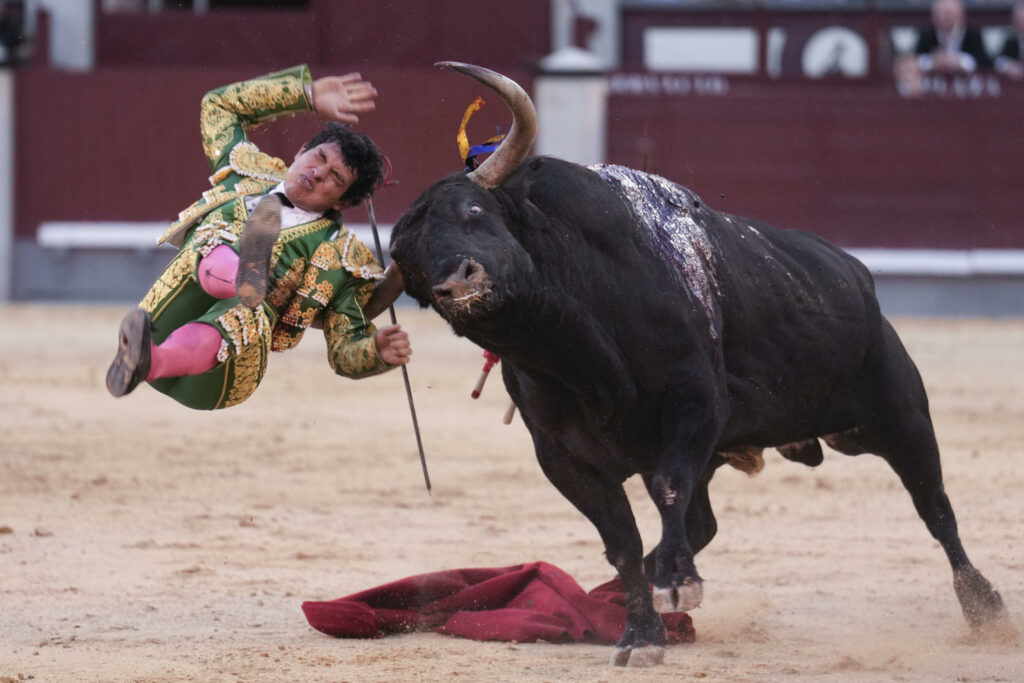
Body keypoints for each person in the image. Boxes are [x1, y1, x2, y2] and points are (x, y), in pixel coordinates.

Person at [106, 65, 410, 410]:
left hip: (220, 377)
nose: (318, 172)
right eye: (319, 157)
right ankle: (156, 354)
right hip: (161, 325)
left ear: (342, 202)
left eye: (335, 178)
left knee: (251, 305)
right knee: (218, 237)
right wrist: (304, 94)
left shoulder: (342, 257)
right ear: (299, 152)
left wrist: (376, 353)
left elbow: (344, 348)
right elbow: (218, 106)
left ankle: (243, 286)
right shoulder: (246, 170)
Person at [914, 0, 993, 74]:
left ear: (961, 14)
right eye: (942, 13)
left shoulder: (972, 33)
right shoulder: (927, 34)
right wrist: (933, 61)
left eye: (950, 13)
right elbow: (916, 60)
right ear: (934, 16)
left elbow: (983, 61)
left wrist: (959, 61)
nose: (946, 17)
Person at [994, 1, 1024, 79]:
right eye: (1018, 21)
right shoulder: (1011, 41)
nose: (1021, 24)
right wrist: (1009, 66)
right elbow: (998, 61)